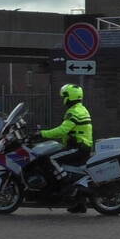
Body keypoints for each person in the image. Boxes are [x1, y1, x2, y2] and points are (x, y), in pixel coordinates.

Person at [40, 83, 93, 213]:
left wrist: (41, 134)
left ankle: (67, 186)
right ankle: (79, 204)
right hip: (82, 146)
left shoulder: (73, 112)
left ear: (70, 96)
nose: (63, 99)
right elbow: (67, 131)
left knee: (50, 158)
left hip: (78, 147)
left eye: (64, 96)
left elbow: (62, 130)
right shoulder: (81, 109)